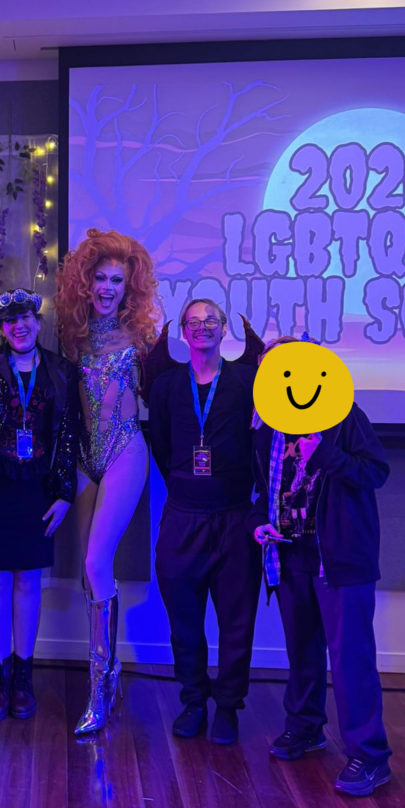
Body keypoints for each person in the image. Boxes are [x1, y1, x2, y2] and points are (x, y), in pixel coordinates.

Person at [249, 337, 392, 796]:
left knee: (350, 659)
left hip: (341, 559)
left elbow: (376, 472)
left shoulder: (345, 417)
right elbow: (260, 492)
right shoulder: (266, 427)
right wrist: (258, 525)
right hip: (291, 555)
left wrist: (326, 455)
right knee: (303, 653)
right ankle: (306, 727)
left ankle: (370, 757)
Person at [0, 288, 79, 720]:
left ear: (38, 323)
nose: (18, 326)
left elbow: (68, 437)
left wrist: (63, 493)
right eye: (9, 321)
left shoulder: (61, 370)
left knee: (27, 582)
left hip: (36, 491)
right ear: (1, 328)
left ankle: (24, 674)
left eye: (25, 318)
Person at [54, 229, 159, 735]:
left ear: (130, 285)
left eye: (118, 279)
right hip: (81, 457)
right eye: (100, 277)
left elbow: (169, 397)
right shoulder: (70, 335)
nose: (108, 287)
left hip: (124, 450)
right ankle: (109, 676)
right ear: (86, 280)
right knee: (87, 573)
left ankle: (99, 690)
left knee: (98, 561)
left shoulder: (142, 340)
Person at [146, 298, 264, 745]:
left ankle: (228, 707)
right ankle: (194, 701)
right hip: (182, 518)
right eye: (193, 323)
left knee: (237, 621)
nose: (202, 329)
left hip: (234, 517)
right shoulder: (166, 387)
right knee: (185, 620)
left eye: (210, 321)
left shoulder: (248, 382)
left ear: (224, 328)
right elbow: (160, 444)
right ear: (182, 331)